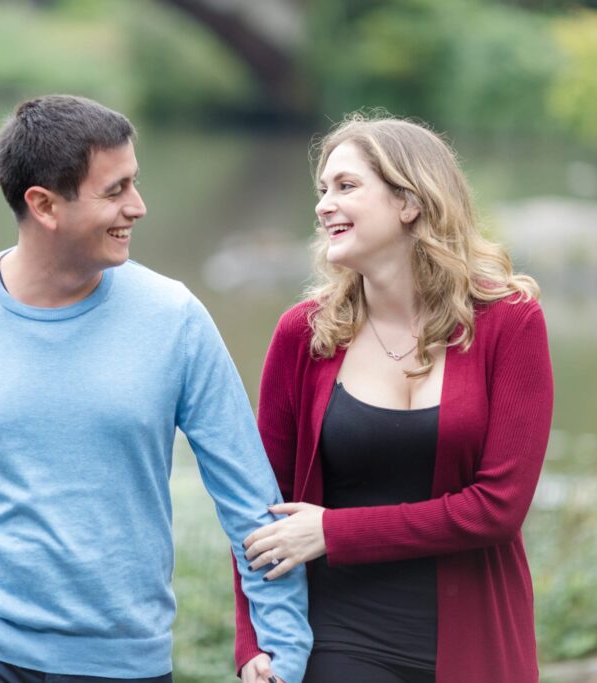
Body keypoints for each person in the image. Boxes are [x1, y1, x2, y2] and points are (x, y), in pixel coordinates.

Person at [0, 94, 311, 683]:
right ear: (43, 205)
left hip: (121, 660)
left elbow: (251, 506)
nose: (138, 207)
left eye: (134, 184)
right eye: (115, 191)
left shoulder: (176, 320)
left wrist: (282, 647)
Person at [233, 114, 554, 683]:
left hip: (475, 633)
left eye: (346, 186)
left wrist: (334, 532)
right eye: (322, 190)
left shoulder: (510, 322)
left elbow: (498, 508)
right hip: (337, 635)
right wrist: (253, 639)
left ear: (410, 201)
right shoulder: (303, 334)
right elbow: (262, 505)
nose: (324, 204)